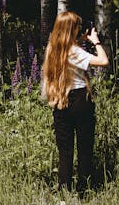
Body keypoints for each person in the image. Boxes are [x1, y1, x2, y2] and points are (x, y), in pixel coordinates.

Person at [41, 10, 109, 195]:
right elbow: (103, 61)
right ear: (72, 29)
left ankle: (64, 192)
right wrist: (95, 41)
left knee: (65, 151)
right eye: (78, 27)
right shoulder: (75, 52)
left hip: (59, 101)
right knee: (85, 147)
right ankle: (84, 191)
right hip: (80, 100)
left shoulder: (52, 50)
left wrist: (81, 40)